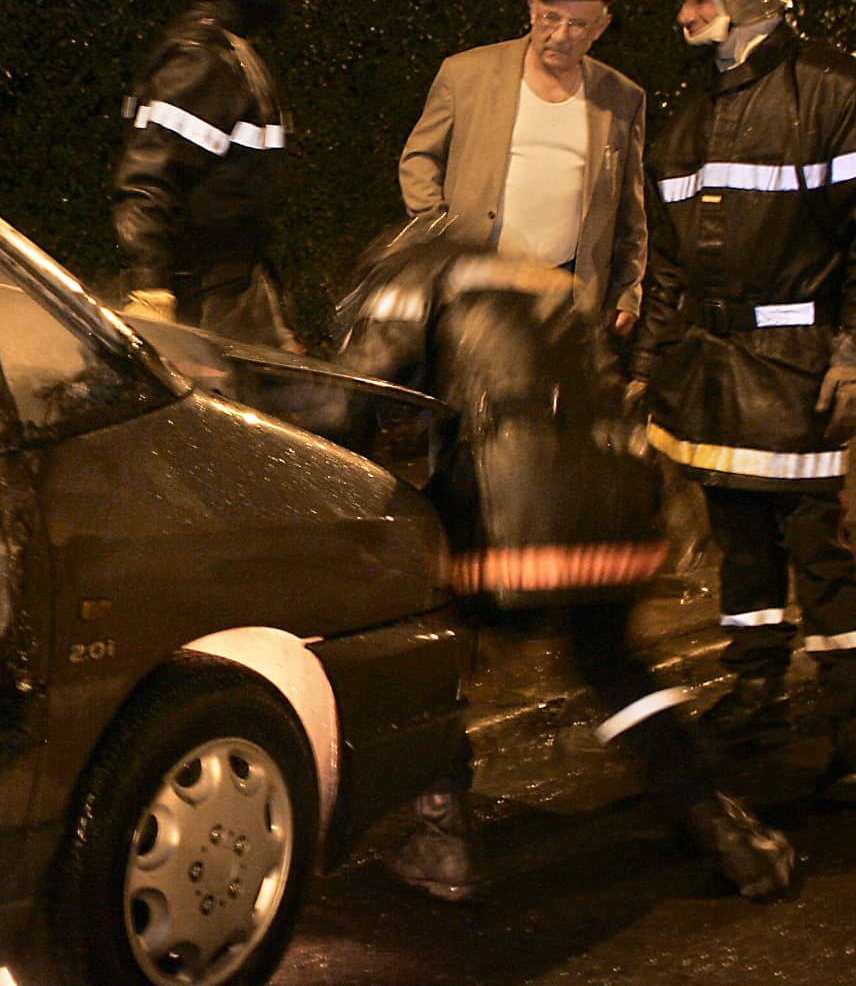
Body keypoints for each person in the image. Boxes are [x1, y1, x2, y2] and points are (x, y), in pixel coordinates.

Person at [335, 216, 795, 904]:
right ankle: (721, 826)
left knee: (428, 654)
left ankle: (444, 842)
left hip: (511, 515)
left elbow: (350, 400)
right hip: (616, 510)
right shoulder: (536, 282)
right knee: (615, 668)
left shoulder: (404, 281)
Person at [632, 0, 856, 804]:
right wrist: (646, 363)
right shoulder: (691, 114)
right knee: (741, 539)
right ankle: (757, 688)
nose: (683, 14)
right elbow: (670, 263)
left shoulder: (841, 91)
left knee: (815, 545)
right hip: (711, 361)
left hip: (798, 358)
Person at [109, 0, 319, 351]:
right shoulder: (202, 58)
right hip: (202, 305)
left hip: (234, 292)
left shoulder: (232, 51)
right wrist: (150, 289)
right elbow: (148, 180)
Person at [397, 0, 648, 340]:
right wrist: (437, 229)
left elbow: (631, 206)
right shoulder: (467, 74)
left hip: (564, 291)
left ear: (601, 28)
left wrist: (627, 289)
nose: (560, 35)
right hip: (473, 279)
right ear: (532, 9)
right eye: (550, 18)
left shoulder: (621, 98)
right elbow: (420, 158)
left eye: (578, 25)